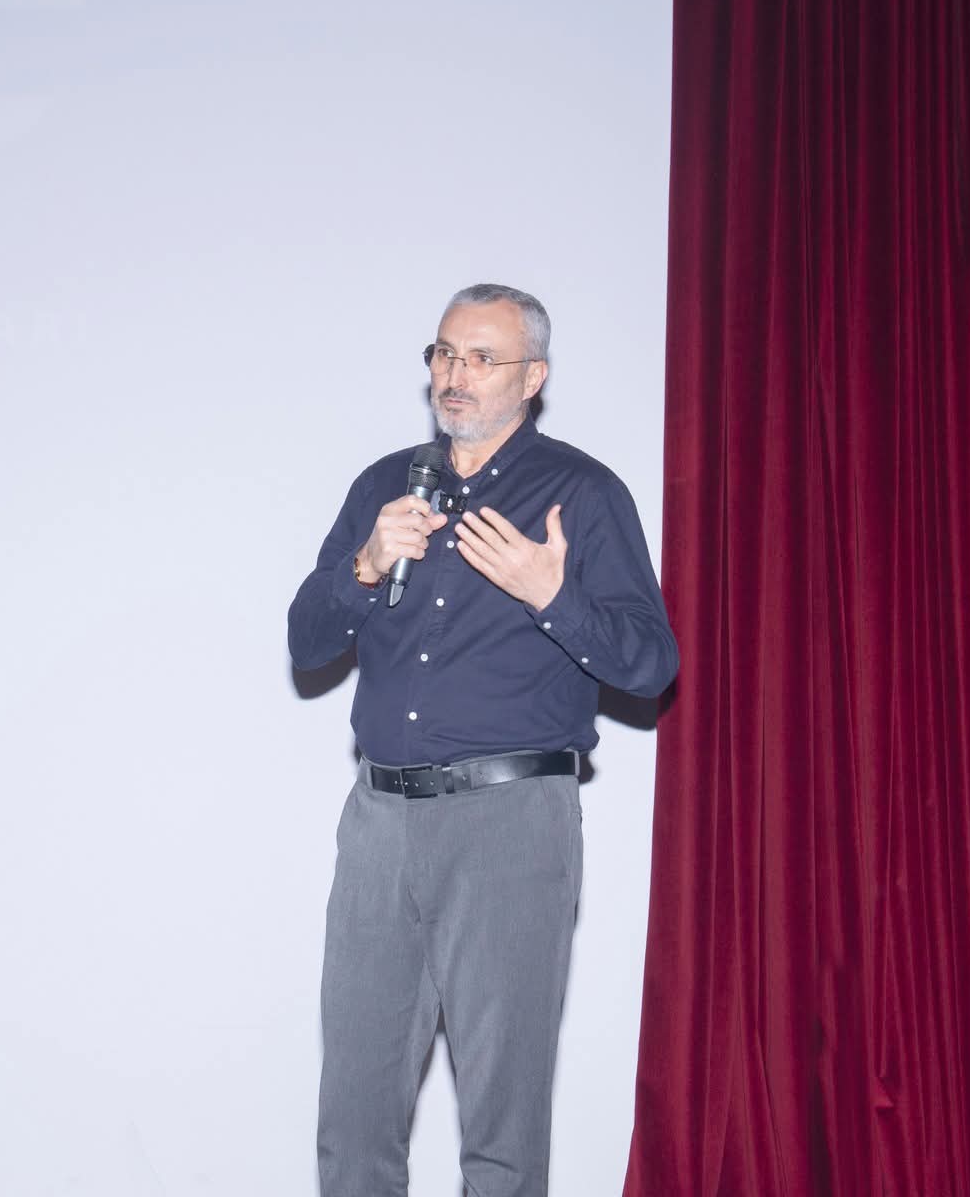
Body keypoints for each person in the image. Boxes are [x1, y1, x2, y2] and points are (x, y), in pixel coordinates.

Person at [287, 283, 678, 1196]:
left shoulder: (582, 494)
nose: (454, 375)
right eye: (444, 353)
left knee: (501, 1122)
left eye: (481, 358)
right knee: (354, 1111)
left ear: (532, 377)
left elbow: (650, 665)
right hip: (380, 821)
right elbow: (305, 643)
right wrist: (365, 565)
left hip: (510, 823)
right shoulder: (385, 487)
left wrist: (553, 595)